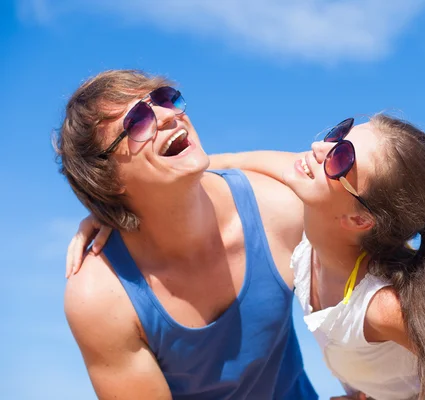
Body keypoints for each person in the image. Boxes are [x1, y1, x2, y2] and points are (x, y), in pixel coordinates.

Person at [69, 113, 425, 399]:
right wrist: (119, 210)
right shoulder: (309, 240)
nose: (317, 148)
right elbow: (229, 162)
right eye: (339, 131)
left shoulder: (387, 303)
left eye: (341, 157)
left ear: (359, 220)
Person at [56, 69, 320, 399]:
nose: (168, 116)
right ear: (108, 179)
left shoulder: (276, 211)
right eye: (137, 121)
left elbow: (351, 189)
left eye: (164, 99)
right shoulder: (101, 297)